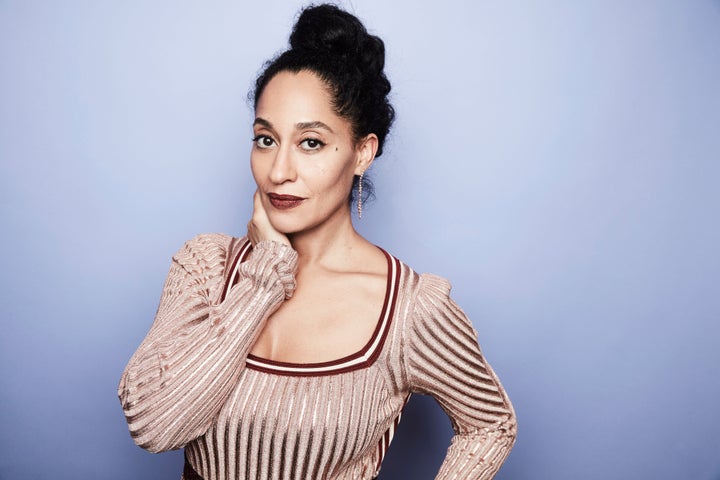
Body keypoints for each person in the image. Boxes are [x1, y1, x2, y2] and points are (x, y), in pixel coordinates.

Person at [118, 4, 516, 479]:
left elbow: (491, 424)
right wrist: (264, 281)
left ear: (362, 152)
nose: (280, 171)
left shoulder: (410, 309)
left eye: (311, 143)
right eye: (266, 139)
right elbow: (154, 428)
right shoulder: (205, 267)